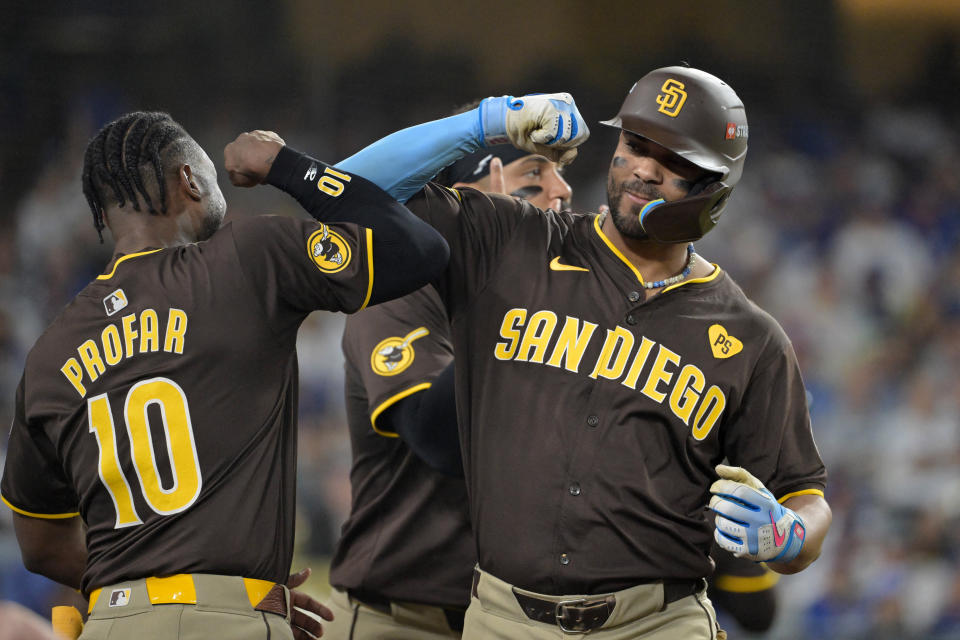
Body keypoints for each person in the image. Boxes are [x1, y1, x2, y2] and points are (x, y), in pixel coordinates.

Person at [330, 66, 833, 639]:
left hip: (656, 621)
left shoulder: (752, 338)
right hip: (489, 612)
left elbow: (805, 494)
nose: (644, 168)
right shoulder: (517, 246)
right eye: (635, 144)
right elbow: (344, 194)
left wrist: (792, 536)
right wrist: (484, 123)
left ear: (713, 186)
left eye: (672, 160)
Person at [0, 111, 449, 640]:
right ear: (189, 180)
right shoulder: (245, 259)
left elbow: (41, 545)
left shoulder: (50, 350)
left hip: (112, 622)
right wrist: (286, 166)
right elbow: (418, 249)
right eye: (210, 175)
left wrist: (140, 594)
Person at [322, 142, 572, 640]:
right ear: (461, 200)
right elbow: (438, 437)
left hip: (516, 619)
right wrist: (508, 282)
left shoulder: (564, 297)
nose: (561, 191)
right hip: (403, 617)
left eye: (561, 175)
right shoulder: (401, 290)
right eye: (532, 176)